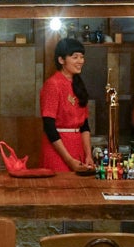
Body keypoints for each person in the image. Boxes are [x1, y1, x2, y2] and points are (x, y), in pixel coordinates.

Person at [40, 37, 95, 173]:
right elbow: (49, 126)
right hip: (58, 150)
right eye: (75, 57)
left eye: (82, 57)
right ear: (61, 60)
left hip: (78, 147)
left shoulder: (78, 84)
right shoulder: (53, 84)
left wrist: (88, 155)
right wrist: (69, 160)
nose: (80, 61)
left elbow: (84, 125)